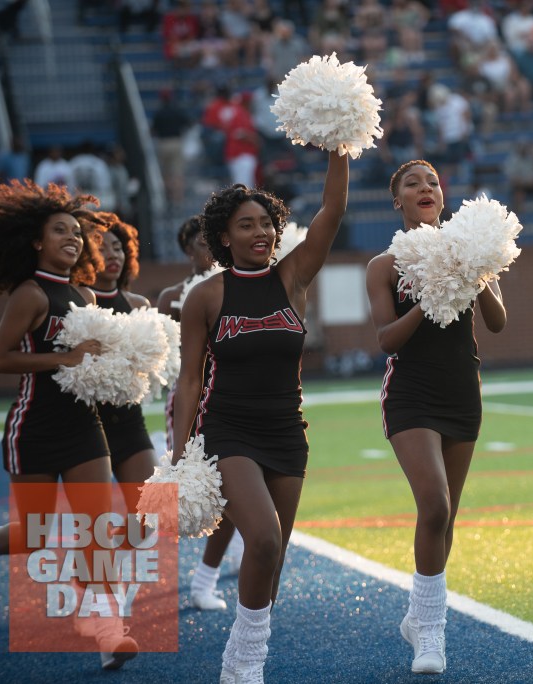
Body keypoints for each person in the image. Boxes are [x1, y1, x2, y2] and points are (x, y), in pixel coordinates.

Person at [170, 149, 348, 682]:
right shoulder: (206, 296)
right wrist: (181, 452)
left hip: (287, 432)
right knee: (264, 538)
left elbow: (332, 211)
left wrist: (340, 146)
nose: (260, 233)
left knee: (272, 560)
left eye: (267, 223)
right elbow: (189, 379)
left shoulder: (292, 278)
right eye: (246, 225)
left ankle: (247, 654)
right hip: (228, 429)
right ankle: (242, 665)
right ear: (223, 236)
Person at [0, 180, 139, 670]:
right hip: (33, 427)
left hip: (85, 427)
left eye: (76, 232)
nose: (73, 238)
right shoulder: (30, 293)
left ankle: (107, 628)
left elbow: (96, 360)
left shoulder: (85, 294)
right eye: (59, 230)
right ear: (37, 242)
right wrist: (67, 358)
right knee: (36, 535)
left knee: (95, 528)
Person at [365, 160, 507, 675]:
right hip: (411, 392)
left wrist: (474, 273)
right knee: (434, 503)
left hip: (462, 391)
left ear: (442, 198)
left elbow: (497, 321)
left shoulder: (469, 249)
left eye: (432, 182)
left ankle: (415, 615)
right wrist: (428, 298)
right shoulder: (383, 265)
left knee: (447, 516)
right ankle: (431, 632)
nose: (425, 187)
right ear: (397, 200)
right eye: (411, 183)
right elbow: (386, 340)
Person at [156, 215, 243, 611]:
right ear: (187, 247)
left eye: (210, 241)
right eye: (197, 242)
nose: (205, 249)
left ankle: (204, 581)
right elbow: (173, 359)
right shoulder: (173, 296)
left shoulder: (239, 284)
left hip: (231, 397)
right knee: (191, 494)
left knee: (228, 495)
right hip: (192, 397)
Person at [90, 213, 157, 515]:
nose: (111, 254)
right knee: (93, 525)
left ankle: (107, 557)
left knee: (153, 513)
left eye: (117, 247)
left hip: (130, 422)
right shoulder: (76, 304)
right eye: (101, 247)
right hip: (87, 424)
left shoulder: (138, 305)